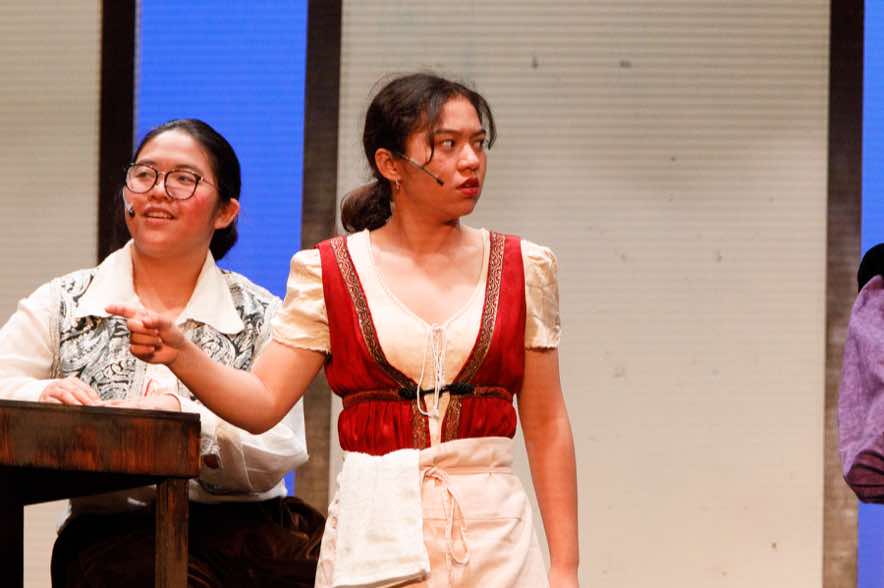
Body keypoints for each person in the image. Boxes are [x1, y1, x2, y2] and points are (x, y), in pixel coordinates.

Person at [111, 75, 580, 587]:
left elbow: (547, 423)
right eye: (447, 144)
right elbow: (263, 401)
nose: (470, 160)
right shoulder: (330, 271)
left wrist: (565, 567)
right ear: (390, 164)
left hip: (496, 537)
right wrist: (181, 352)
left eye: (478, 143)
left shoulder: (522, 267)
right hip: (376, 535)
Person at [0, 118, 324, 587]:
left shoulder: (262, 313)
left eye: (183, 179)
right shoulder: (64, 302)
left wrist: (185, 423)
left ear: (225, 212)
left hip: (249, 534)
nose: (157, 191)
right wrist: (41, 395)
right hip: (114, 536)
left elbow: (278, 447)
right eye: (144, 174)